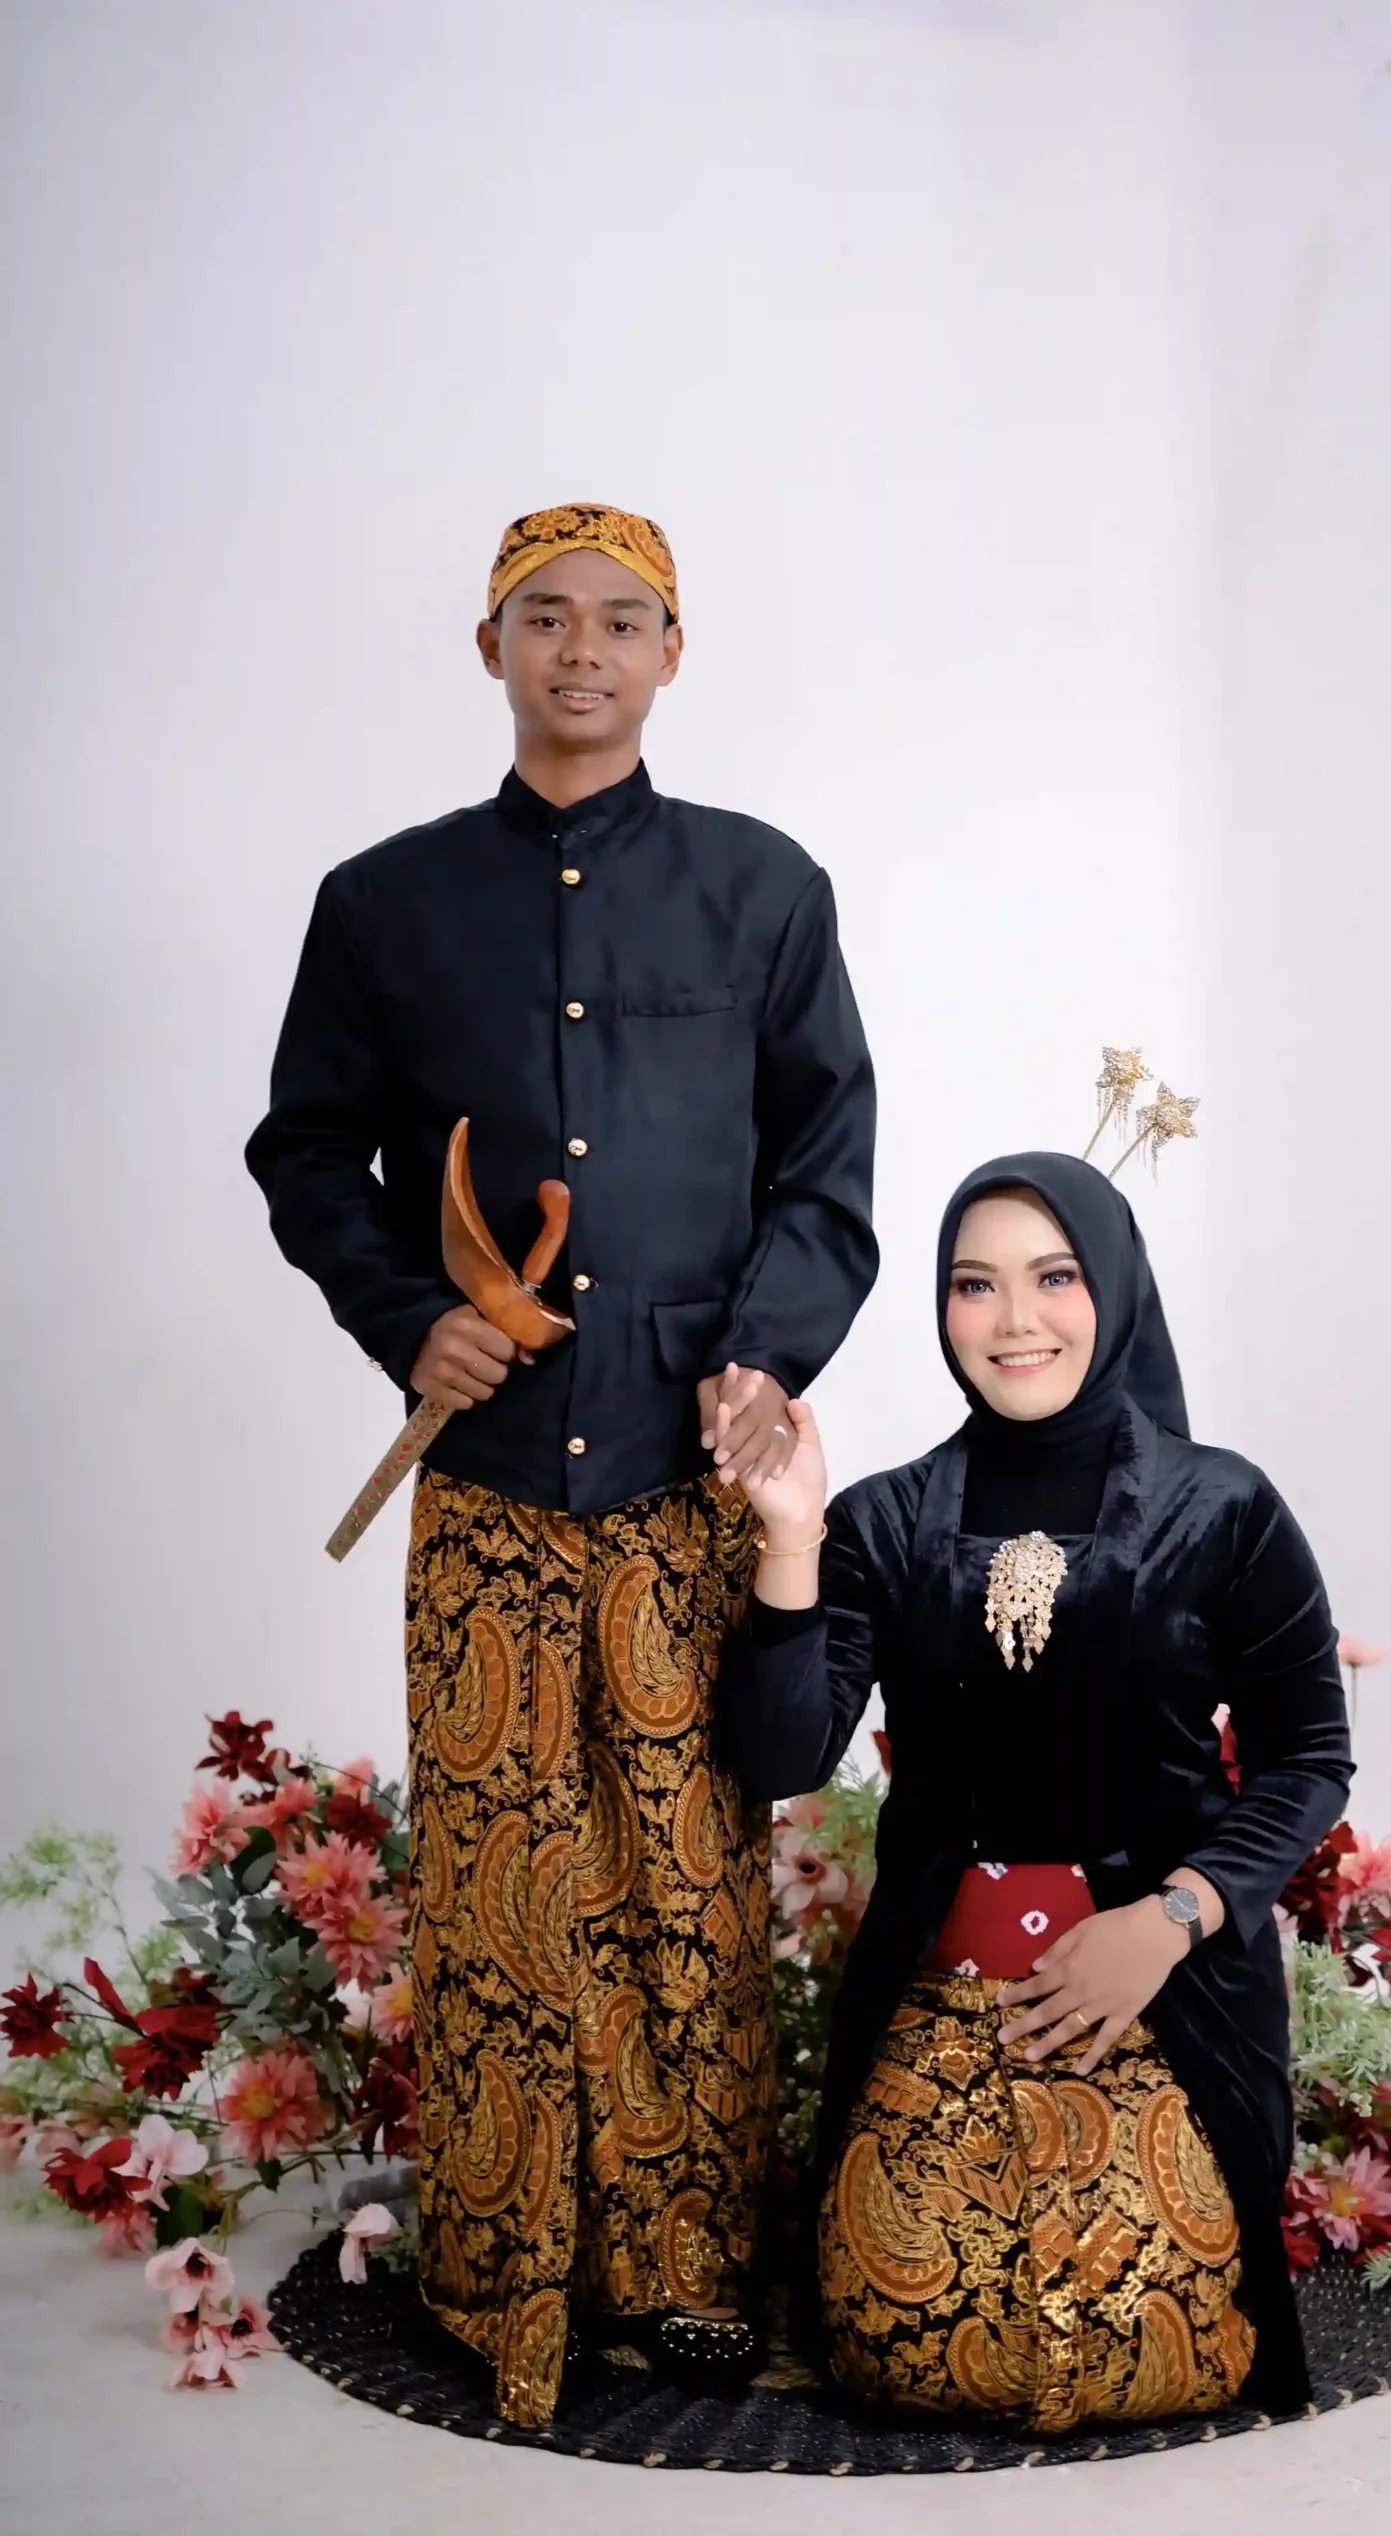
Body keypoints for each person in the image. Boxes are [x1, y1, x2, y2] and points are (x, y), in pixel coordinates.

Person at [246, 501, 878, 2425]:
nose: (581, 650)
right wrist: (401, 1315)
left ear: (671, 653)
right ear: (490, 649)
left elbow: (825, 1172)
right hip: (496, 1486)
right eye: (544, 618)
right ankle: (503, 2266)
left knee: (688, 1877)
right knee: (502, 1890)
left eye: (620, 620)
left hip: (691, 1486)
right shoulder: (385, 903)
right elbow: (306, 1155)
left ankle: (686, 2274)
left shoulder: (765, 890)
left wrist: (763, 1362)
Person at [722, 1152, 1352, 2431]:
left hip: (1164, 1995)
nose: (1015, 1319)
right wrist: (789, 1535)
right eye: (976, 1284)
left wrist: (1168, 1920)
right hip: (939, 1998)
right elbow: (783, 1757)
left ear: (1113, 1288)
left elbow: (1308, 1757)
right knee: (902, 2337)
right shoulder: (884, 1521)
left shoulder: (1222, 1507)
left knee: (1145, 2333)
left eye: (1053, 1277)